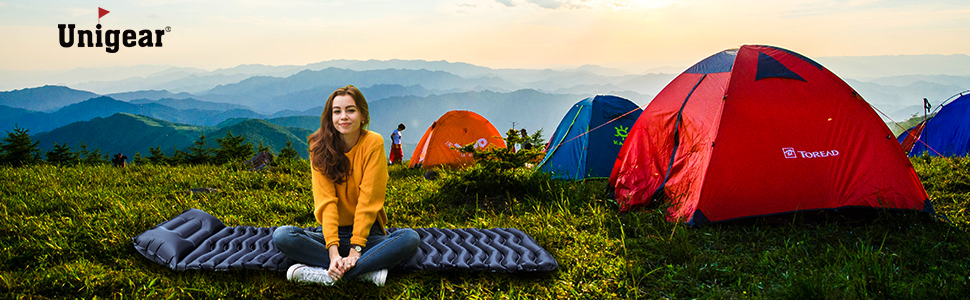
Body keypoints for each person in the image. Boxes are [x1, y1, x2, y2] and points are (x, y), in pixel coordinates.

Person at [273, 85, 420, 287]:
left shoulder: (373, 143)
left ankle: (328, 274)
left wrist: (356, 250)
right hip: (330, 233)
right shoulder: (318, 146)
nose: (343, 116)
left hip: (368, 234)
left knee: (409, 238)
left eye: (350, 110)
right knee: (283, 235)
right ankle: (362, 271)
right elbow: (326, 202)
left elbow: (369, 200)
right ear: (330, 117)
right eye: (337, 111)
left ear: (362, 116)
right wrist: (333, 251)